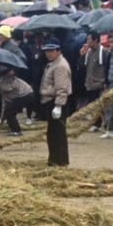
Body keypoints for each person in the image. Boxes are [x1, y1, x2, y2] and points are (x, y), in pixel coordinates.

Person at [38, 37, 72, 166]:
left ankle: (57, 161)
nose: (49, 53)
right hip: (52, 100)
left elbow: (62, 88)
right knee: (55, 133)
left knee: (56, 133)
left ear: (58, 50)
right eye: (47, 51)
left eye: (52, 50)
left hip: (56, 101)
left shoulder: (60, 65)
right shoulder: (54, 63)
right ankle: (59, 159)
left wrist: (58, 106)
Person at [0, 65, 34, 136]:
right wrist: (1, 120)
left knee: (9, 111)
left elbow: (11, 88)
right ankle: (14, 128)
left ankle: (16, 130)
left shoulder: (4, 81)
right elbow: (4, 105)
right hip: (26, 94)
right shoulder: (4, 84)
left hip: (24, 94)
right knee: (9, 110)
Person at [81, 32, 107, 113]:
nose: (87, 41)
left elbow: (107, 67)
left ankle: (99, 124)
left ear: (95, 40)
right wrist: (82, 56)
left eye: (89, 39)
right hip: (89, 84)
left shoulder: (103, 51)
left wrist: (105, 82)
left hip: (98, 84)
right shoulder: (89, 51)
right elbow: (84, 66)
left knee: (98, 107)